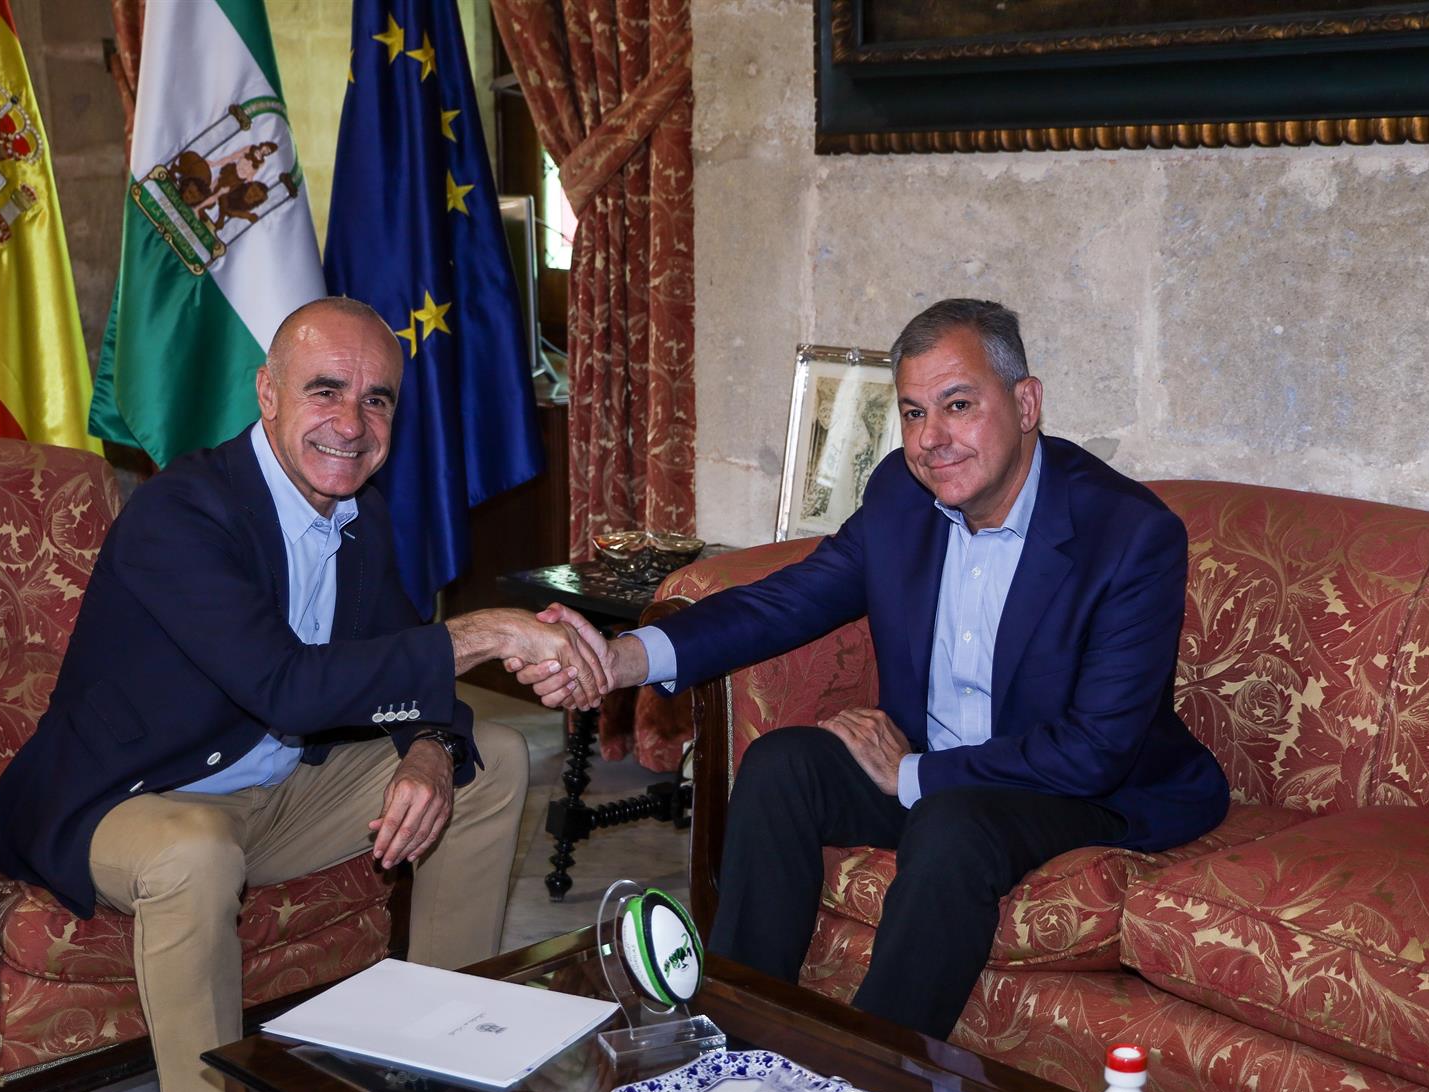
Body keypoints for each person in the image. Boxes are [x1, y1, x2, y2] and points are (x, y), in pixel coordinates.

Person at [0, 296, 605, 1092]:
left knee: (493, 759)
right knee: (196, 850)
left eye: (378, 401)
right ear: (267, 393)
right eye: (325, 390)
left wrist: (429, 752)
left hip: (276, 780)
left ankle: (446, 1073)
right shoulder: (182, 513)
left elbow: (408, 672)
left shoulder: (361, 517)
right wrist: (485, 630)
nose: (352, 425)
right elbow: (282, 678)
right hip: (130, 797)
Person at [519, 298, 1228, 1041]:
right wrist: (625, 657)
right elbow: (789, 601)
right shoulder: (901, 495)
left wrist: (912, 775)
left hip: (1083, 789)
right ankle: (733, 1030)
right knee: (784, 765)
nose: (932, 441)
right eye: (915, 413)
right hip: (939, 767)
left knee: (954, 825)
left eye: (958, 406)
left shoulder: (1128, 533)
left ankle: (869, 1075)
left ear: (1026, 403)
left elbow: (1095, 751)